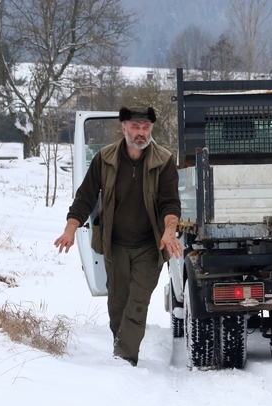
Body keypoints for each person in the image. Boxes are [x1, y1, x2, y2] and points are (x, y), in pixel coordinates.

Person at [54, 106, 182, 366]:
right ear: (124, 128)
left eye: (146, 128)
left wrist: (170, 231)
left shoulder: (163, 160)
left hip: (150, 246)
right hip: (115, 245)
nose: (141, 133)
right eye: (135, 127)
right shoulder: (105, 158)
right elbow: (85, 197)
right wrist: (70, 229)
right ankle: (122, 352)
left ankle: (124, 361)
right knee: (117, 306)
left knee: (137, 303)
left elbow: (170, 203)